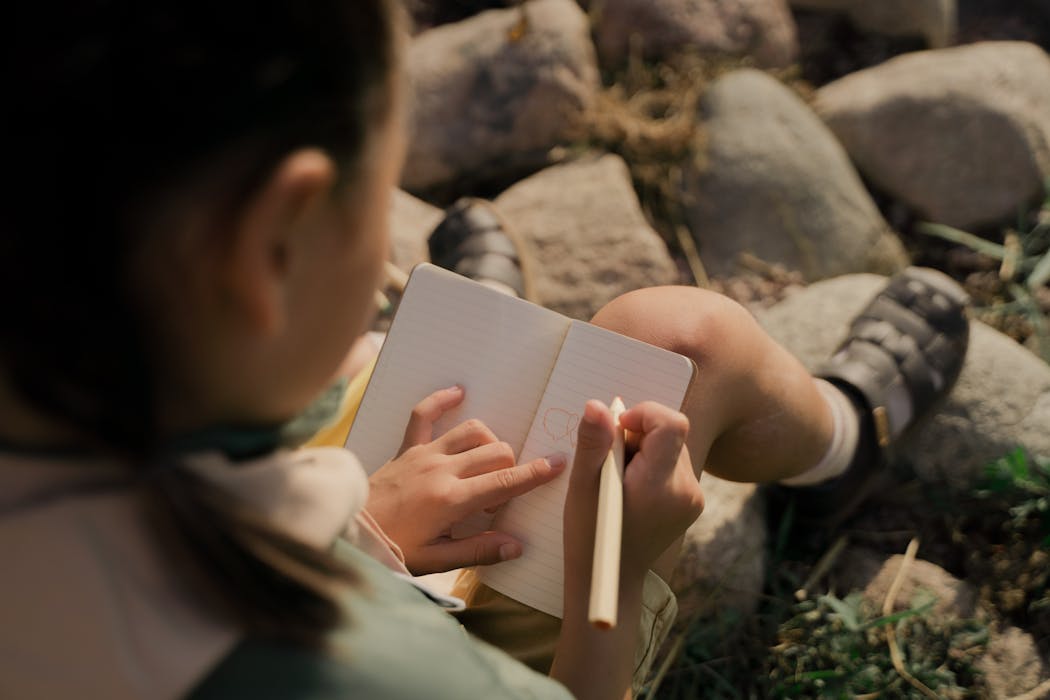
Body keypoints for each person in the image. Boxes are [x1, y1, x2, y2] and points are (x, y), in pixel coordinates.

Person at [0, 1, 969, 699]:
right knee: (685, 340)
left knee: (417, 376)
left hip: (339, 530)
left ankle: (463, 339)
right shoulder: (367, 671)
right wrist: (609, 577)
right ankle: (850, 433)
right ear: (272, 250)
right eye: (375, 199)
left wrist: (364, 536)